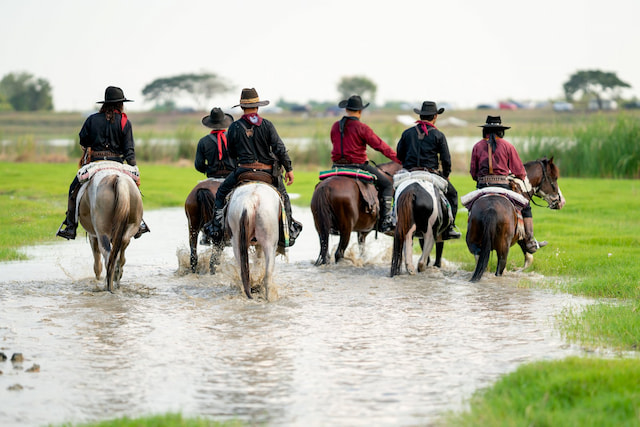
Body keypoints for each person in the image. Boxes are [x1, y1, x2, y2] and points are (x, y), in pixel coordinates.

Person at [203, 88, 302, 246]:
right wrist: (288, 169)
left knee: (221, 193)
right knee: (284, 197)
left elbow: (231, 152)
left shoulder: (234, 127)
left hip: (243, 171)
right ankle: (288, 229)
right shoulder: (267, 125)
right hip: (267, 173)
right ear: (257, 107)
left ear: (242, 108)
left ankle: (216, 228)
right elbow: (279, 149)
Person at [56, 86, 150, 240]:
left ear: (104, 103)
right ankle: (138, 222)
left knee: (73, 189)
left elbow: (83, 140)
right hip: (118, 164)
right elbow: (129, 151)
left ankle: (70, 225)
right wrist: (133, 168)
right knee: (134, 190)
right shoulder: (125, 122)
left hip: (95, 164)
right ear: (121, 104)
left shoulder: (92, 119)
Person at [469, 115, 547, 253]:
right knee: (526, 206)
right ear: (501, 131)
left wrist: (481, 178)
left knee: (472, 208)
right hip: (503, 186)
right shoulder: (508, 146)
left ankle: (473, 239)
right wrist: (517, 176)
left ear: (485, 130)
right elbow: (519, 171)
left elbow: (473, 173)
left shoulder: (477, 146)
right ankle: (529, 240)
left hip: (483, 186)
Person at [330, 95, 402, 233]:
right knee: (387, 185)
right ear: (360, 111)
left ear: (346, 109)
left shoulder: (335, 126)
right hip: (358, 166)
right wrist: (399, 159)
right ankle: (385, 221)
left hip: (337, 167)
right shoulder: (362, 128)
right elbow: (380, 146)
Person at [396, 101, 461, 239]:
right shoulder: (438, 135)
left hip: (409, 173)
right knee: (453, 194)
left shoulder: (407, 133)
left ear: (420, 116)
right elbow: (446, 160)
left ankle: (391, 219)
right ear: (435, 116)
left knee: (395, 190)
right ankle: (449, 227)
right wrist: (446, 175)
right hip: (430, 173)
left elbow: (399, 155)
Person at [195, 107, 235, 178]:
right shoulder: (234, 138)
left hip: (213, 175)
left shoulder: (203, 141)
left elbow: (199, 165)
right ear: (225, 122)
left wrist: (209, 169)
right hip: (232, 176)